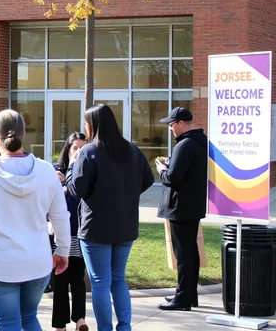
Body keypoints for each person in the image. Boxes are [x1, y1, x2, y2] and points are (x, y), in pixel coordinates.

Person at [0, 109, 71, 331]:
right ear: (24, 133)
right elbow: (60, 216)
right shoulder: (46, 170)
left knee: (9, 324)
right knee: (29, 318)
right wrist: (63, 250)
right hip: (37, 263)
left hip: (0, 266)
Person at [66, 104, 154, 331]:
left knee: (100, 283)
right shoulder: (132, 150)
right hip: (125, 226)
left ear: (92, 124)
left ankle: (105, 328)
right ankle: (124, 326)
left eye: (86, 123)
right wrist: (127, 194)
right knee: (118, 279)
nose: (84, 127)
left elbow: (77, 189)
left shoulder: (88, 152)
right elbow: (148, 180)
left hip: (96, 228)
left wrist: (71, 167)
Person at [156, 107, 208, 311]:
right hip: (192, 206)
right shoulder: (199, 142)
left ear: (180, 123)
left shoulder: (185, 145)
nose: (170, 129)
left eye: (171, 125)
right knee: (190, 252)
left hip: (180, 207)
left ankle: (183, 298)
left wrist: (162, 170)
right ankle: (188, 294)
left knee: (184, 254)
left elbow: (173, 178)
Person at [52, 133, 89, 331]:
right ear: (67, 150)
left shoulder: (88, 171)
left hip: (81, 233)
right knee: (60, 280)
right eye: (75, 148)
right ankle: (60, 324)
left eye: (83, 148)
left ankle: (80, 319)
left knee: (78, 280)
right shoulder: (56, 171)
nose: (79, 152)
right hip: (60, 234)